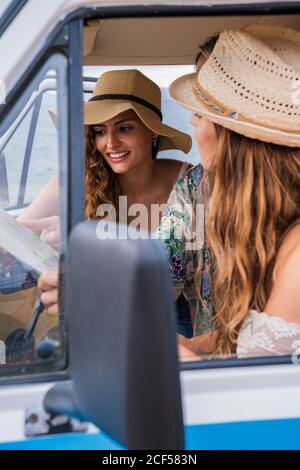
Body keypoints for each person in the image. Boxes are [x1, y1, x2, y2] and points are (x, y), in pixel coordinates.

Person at [162, 23, 300, 358]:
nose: (193, 123)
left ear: (234, 138)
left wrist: (167, 351)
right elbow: (258, 334)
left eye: (203, 111)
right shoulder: (274, 226)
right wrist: (194, 345)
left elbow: (263, 395)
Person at [31, 69, 193, 332]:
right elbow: (18, 235)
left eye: (124, 128)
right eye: (100, 131)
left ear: (152, 132)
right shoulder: (78, 179)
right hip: (100, 304)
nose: (111, 143)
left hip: (170, 314)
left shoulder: (189, 183)